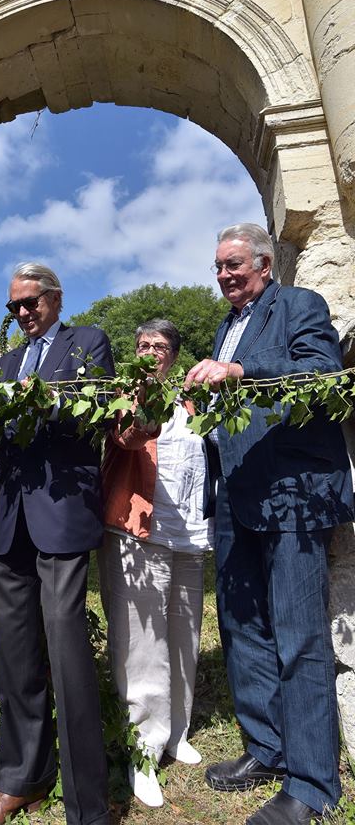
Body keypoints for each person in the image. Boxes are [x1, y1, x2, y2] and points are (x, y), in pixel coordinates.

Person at [184, 223, 354, 825]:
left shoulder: (299, 306)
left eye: (234, 264)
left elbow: (323, 378)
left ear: (263, 263)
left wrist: (237, 374)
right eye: (219, 268)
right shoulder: (223, 327)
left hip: (291, 493)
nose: (226, 275)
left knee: (298, 633)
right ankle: (267, 748)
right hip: (234, 494)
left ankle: (310, 786)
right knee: (241, 624)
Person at [0, 263, 114, 825]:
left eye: (32, 303)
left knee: (66, 652)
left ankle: (87, 804)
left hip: (61, 516)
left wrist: (35, 400)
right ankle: (21, 778)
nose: (24, 314)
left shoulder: (87, 344)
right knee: (13, 653)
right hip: (8, 521)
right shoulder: (4, 363)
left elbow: (90, 408)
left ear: (55, 298)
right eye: (15, 307)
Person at [99, 319, 212, 808]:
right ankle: (142, 751)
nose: (149, 350)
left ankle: (175, 731)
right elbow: (124, 438)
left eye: (160, 345)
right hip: (137, 529)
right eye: (142, 343)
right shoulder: (124, 392)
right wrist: (142, 394)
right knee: (142, 643)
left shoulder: (191, 400)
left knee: (184, 633)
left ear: (175, 354)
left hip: (189, 534)